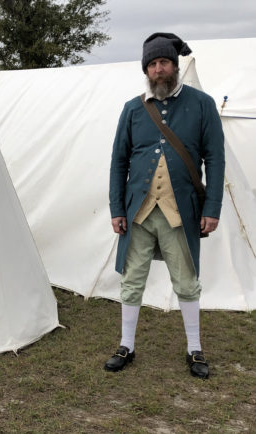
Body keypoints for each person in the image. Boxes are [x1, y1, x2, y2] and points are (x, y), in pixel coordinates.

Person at [105, 33, 225, 379]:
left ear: (175, 66)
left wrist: (212, 208)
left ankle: (194, 348)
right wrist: (116, 208)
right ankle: (126, 345)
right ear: (147, 69)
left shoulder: (202, 104)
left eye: (164, 63)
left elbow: (215, 160)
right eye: (153, 64)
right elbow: (119, 161)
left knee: (186, 282)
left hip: (181, 211)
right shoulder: (132, 108)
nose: (159, 69)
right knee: (132, 281)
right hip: (138, 211)